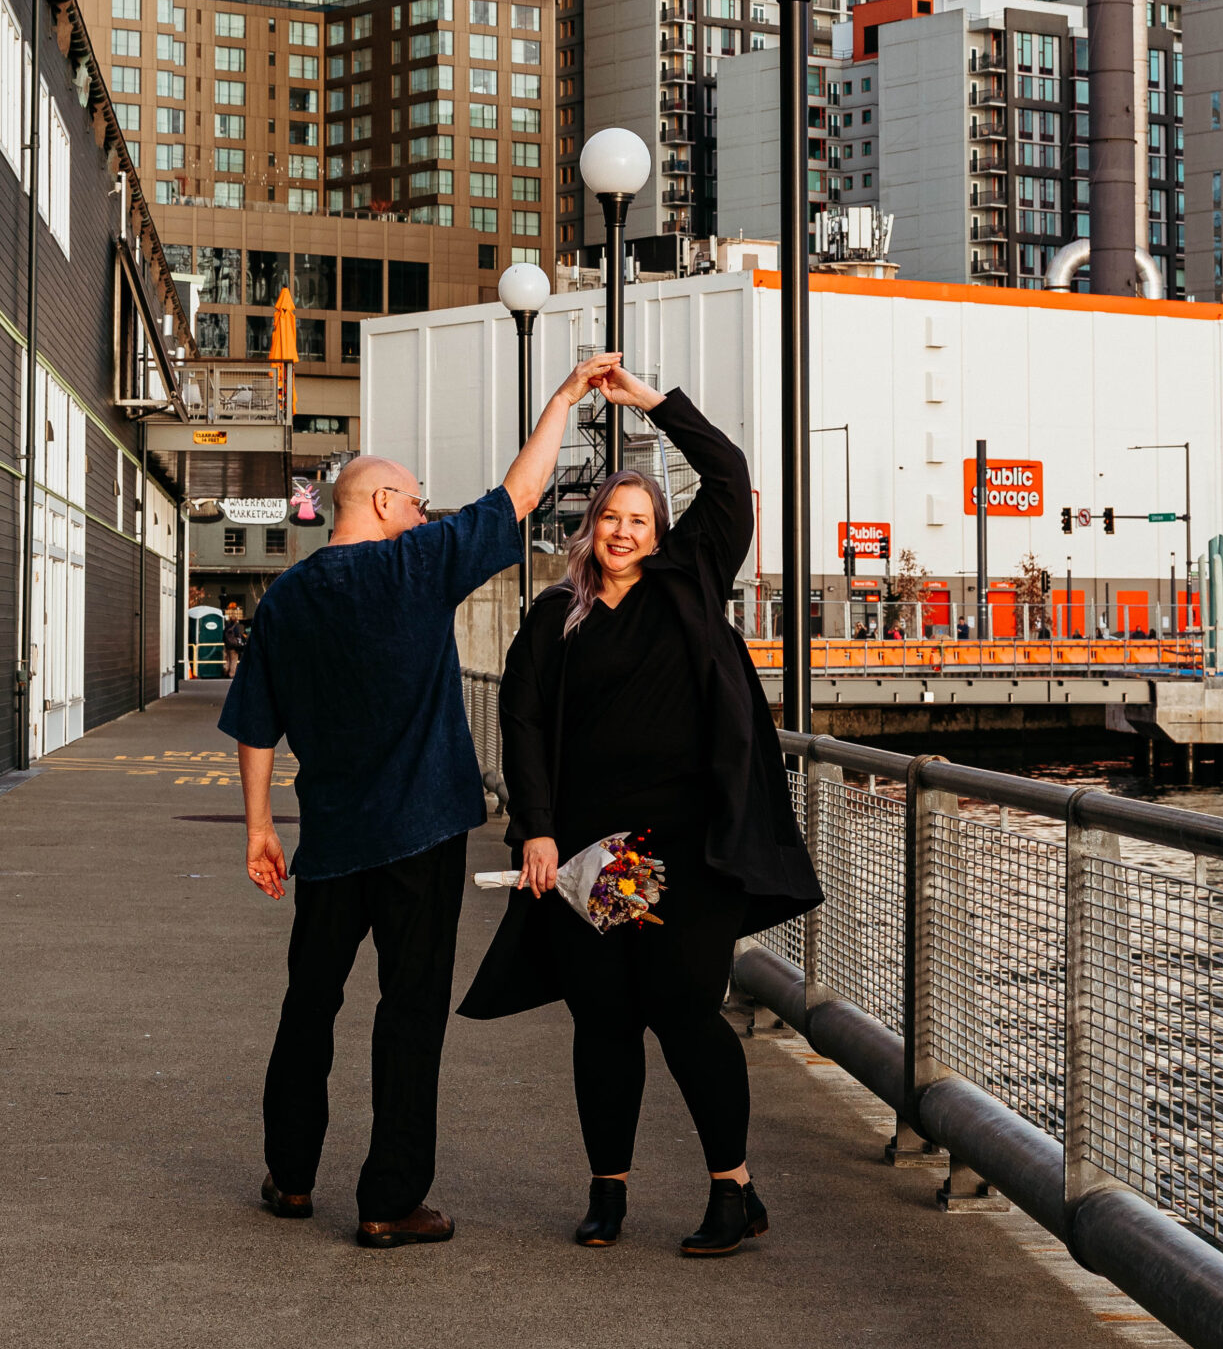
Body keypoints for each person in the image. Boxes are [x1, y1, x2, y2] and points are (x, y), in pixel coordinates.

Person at [226, 351, 622, 1251]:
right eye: (411, 499)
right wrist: (561, 397)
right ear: (376, 506)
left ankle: (290, 1177)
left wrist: (259, 828)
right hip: (422, 834)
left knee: (307, 1005)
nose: (422, 510)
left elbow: (255, 724)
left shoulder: (284, 601)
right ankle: (388, 1199)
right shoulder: (413, 566)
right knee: (406, 1015)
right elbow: (516, 496)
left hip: (329, 841)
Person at [460, 369, 821, 1258]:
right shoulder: (553, 619)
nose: (622, 533)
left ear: (658, 534)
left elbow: (729, 476)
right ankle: (608, 1191)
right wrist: (535, 827)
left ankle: (732, 1191)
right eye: (610, 519)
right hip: (593, 853)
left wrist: (652, 402)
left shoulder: (688, 583)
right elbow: (525, 723)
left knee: (685, 1009)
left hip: (688, 848)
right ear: (588, 529)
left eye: (639, 521)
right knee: (604, 1017)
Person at [221, 597, 247, 678]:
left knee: (228, 660)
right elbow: (238, 635)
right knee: (234, 660)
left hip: (227, 646)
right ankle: (232, 674)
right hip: (234, 646)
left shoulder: (227, 626)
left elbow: (223, 635)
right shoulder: (235, 627)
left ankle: (225, 671)